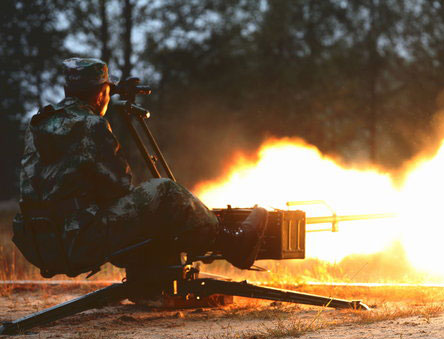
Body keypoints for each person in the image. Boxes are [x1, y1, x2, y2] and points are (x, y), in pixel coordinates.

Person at [12, 58, 267, 278]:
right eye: (107, 92)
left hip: (43, 243)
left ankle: (152, 263)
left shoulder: (40, 123)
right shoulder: (92, 125)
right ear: (101, 93)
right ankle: (233, 242)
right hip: (79, 241)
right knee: (163, 191)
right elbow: (118, 188)